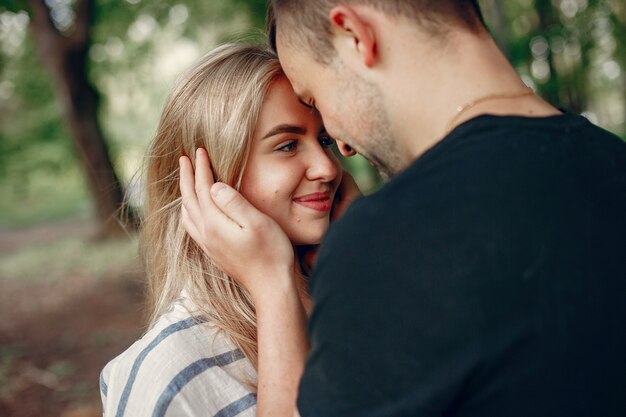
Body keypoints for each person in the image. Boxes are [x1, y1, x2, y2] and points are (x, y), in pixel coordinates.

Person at [179, 1, 626, 416]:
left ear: (355, 34)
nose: (344, 149)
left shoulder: (389, 247)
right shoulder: (612, 160)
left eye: (315, 98)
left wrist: (278, 279)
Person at [99, 42, 357, 417]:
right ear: (212, 177)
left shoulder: (353, 297)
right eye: (287, 145)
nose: (328, 168)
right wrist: (272, 282)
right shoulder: (167, 375)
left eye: (324, 141)